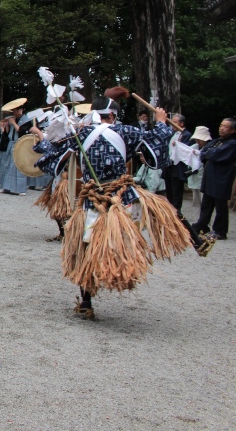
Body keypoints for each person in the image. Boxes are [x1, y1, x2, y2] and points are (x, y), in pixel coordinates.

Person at [31, 94, 189, 319]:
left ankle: (86, 301)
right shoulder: (126, 131)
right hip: (122, 199)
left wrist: (39, 140)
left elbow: (50, 151)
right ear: (113, 115)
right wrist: (162, 122)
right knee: (162, 212)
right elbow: (155, 147)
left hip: (92, 199)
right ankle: (195, 240)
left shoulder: (80, 134)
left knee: (85, 247)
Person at [194, 117, 236, 242]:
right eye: (221, 126)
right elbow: (204, 152)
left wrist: (209, 153)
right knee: (206, 203)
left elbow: (215, 154)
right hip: (211, 176)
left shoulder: (232, 143)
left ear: (233, 130)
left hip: (222, 177)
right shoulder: (218, 141)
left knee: (220, 204)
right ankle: (202, 225)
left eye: (225, 126)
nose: (222, 128)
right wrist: (208, 153)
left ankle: (220, 230)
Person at [188, 126, 210, 212]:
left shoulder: (210, 147)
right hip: (195, 176)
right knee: (198, 203)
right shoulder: (194, 146)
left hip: (205, 178)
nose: (198, 141)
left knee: (205, 202)